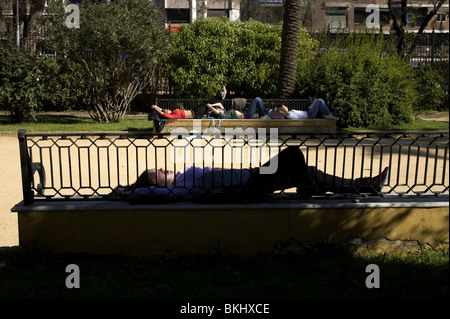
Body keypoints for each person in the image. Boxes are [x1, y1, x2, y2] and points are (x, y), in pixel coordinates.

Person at [107, 147, 389, 202]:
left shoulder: (181, 177)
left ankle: (364, 187)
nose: (163, 169)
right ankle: (308, 189)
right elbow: (147, 193)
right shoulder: (178, 191)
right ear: (158, 186)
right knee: (292, 154)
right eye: (157, 174)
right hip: (249, 187)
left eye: (158, 168)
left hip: (251, 176)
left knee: (309, 171)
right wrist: (128, 192)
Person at [269, 98, 337, 120]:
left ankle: (326, 114)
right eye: (283, 106)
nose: (285, 106)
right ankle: (327, 114)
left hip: (307, 113)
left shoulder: (289, 114)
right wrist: (281, 109)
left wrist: (277, 109)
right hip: (309, 115)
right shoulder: (288, 115)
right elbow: (271, 113)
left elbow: (271, 112)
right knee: (319, 101)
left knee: (317, 100)